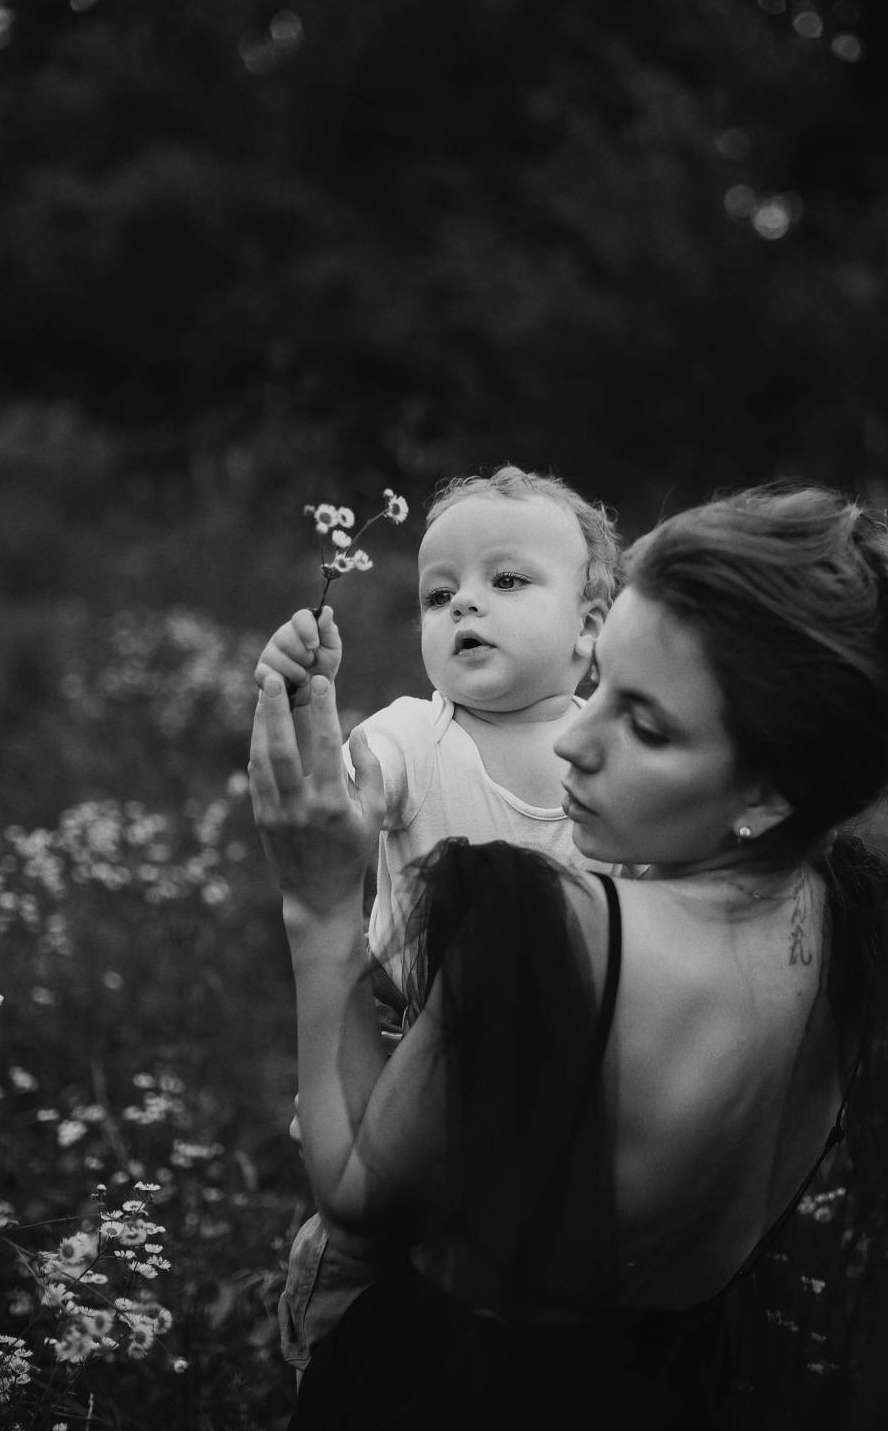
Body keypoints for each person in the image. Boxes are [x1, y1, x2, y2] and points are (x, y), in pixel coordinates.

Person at [249, 482, 888, 1429]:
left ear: (767, 787)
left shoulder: (551, 936)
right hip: (680, 1384)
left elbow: (359, 1205)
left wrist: (317, 909)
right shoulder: (849, 911)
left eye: (644, 724)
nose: (576, 741)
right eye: (606, 689)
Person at [254, 465, 624, 1375]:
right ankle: (340, 1366)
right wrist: (303, 701)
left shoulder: (609, 752)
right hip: (407, 1057)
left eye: (507, 580)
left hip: (568, 1077)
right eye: (437, 593)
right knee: (371, 1270)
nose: (464, 604)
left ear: (588, 627)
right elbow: (332, 803)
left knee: (528, 1299)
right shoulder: (414, 735)